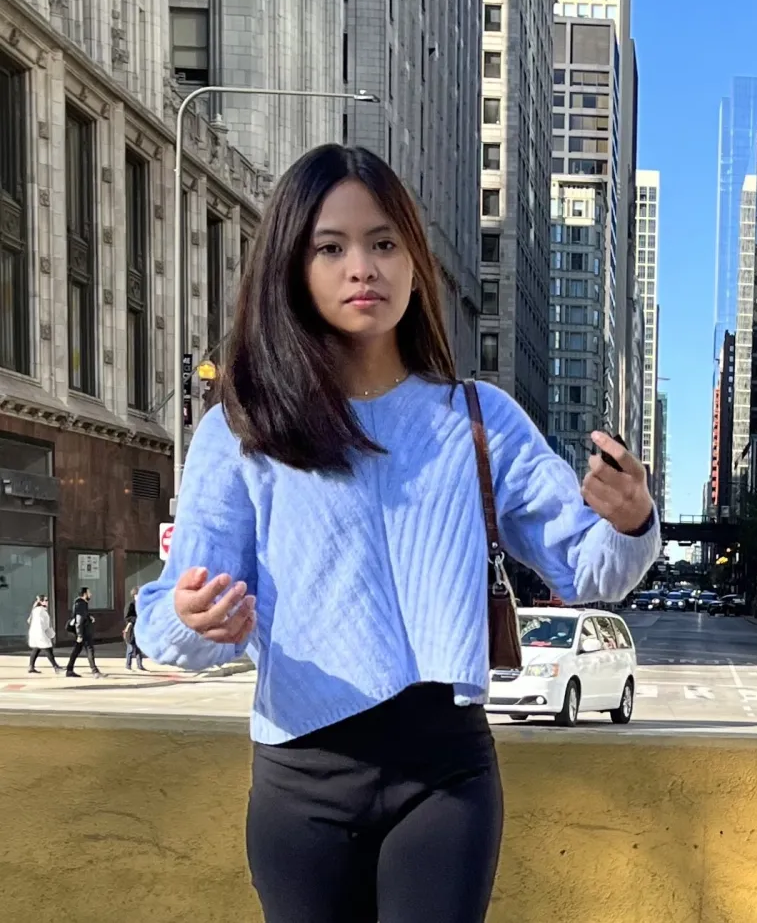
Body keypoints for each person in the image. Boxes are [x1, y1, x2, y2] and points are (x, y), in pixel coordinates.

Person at [136, 144, 659, 923]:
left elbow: (588, 570)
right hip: (301, 780)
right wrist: (190, 618)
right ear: (292, 266)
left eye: (384, 243)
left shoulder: (477, 418)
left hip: (445, 777)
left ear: (415, 260)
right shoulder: (241, 429)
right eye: (331, 247)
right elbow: (170, 619)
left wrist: (629, 519)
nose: (363, 268)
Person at [66, 587, 102, 678]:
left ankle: (69, 670)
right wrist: (80, 635)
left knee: (77, 650)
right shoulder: (81, 603)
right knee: (90, 650)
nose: (91, 594)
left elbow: (82, 615)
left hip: (83, 631)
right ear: (85, 594)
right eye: (89, 593)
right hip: (84, 632)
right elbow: (79, 619)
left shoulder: (80, 603)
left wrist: (89, 617)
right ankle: (95, 671)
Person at [27, 595, 62, 674]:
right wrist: (49, 632)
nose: (47, 602)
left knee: (36, 649)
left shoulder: (35, 610)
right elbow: (44, 624)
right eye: (45, 600)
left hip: (35, 633)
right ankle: (55, 666)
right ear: (41, 602)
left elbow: (29, 621)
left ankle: (31, 666)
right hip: (41, 633)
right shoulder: (41, 611)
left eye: (47, 600)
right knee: (48, 649)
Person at [124, 587, 146, 671]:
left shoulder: (141, 605)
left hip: (139, 629)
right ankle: (128, 665)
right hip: (131, 629)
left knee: (138, 648)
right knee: (130, 648)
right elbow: (127, 617)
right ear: (135, 595)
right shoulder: (130, 605)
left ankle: (140, 665)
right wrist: (137, 618)